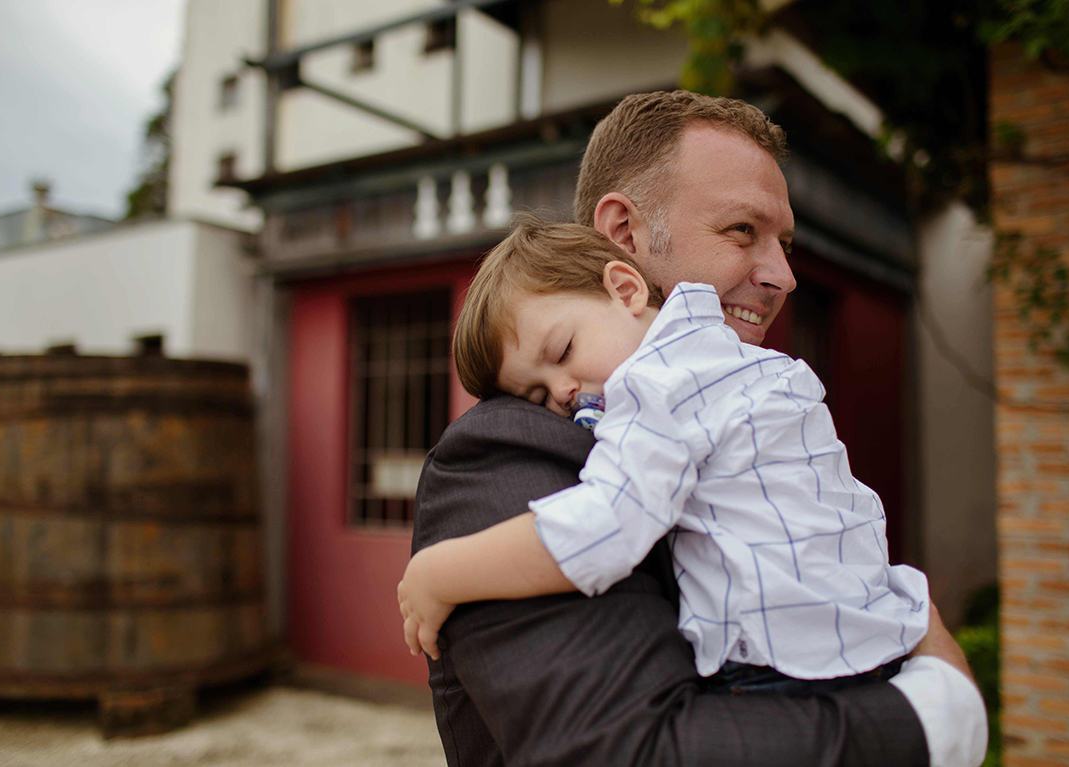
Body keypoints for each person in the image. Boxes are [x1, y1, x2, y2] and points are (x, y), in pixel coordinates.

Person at [410, 90, 986, 767]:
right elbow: (631, 751)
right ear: (624, 237)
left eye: (784, 243)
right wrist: (938, 714)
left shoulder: (737, 384)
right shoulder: (511, 446)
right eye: (742, 231)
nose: (783, 275)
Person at [399, 219, 932, 699]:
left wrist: (438, 573)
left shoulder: (658, 382)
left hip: (786, 668)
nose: (561, 391)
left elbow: (602, 530)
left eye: (561, 352)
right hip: (870, 643)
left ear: (625, 289)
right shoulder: (743, 362)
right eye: (537, 396)